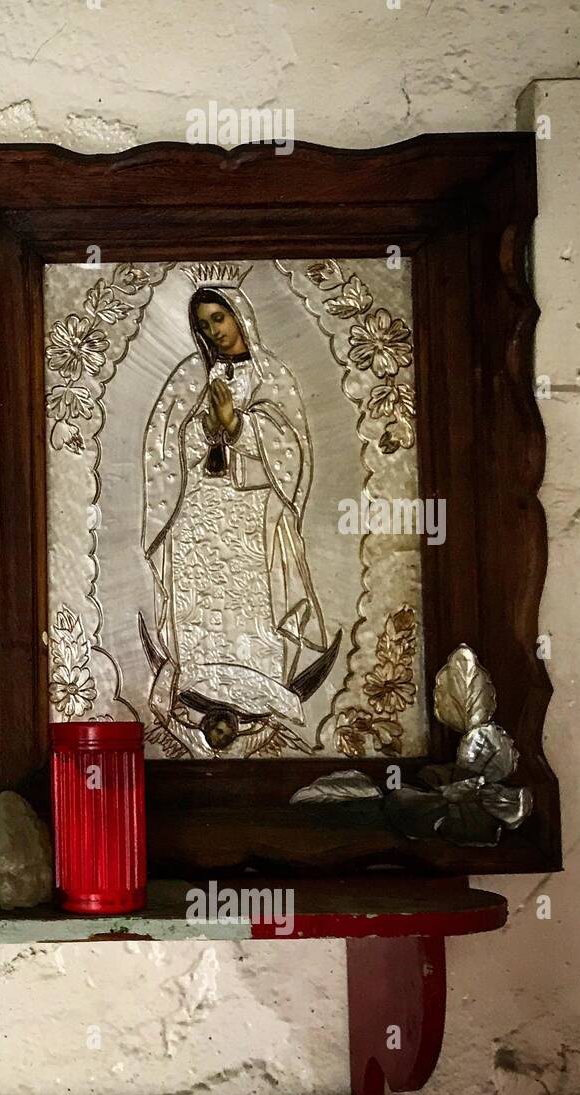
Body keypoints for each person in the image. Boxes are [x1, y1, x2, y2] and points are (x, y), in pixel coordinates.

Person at [142, 267, 334, 754]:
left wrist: (240, 426)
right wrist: (207, 431)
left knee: (249, 601)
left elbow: (291, 452)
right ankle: (202, 677)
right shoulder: (190, 376)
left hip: (251, 515)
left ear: (239, 315)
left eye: (219, 318)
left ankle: (258, 683)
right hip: (200, 515)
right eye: (204, 324)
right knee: (202, 603)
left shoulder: (274, 376)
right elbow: (165, 445)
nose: (214, 331)